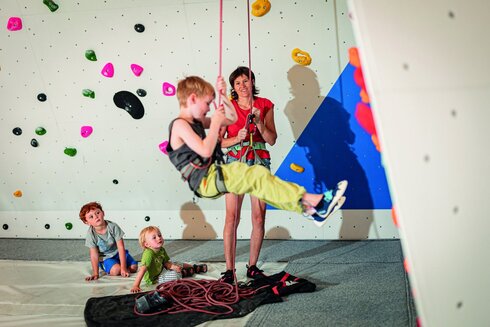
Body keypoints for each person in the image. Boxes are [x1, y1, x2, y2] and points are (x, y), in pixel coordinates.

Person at [166, 75, 347, 281]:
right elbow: (207, 150)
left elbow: (232, 118)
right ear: (191, 99)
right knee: (254, 180)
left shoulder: (196, 121)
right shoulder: (180, 125)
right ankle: (313, 205)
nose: (209, 109)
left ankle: (310, 206)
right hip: (206, 180)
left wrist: (224, 95)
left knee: (260, 179)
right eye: (207, 103)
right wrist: (216, 122)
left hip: (215, 175)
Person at [219, 67, 277, 283]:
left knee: (258, 216)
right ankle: (229, 270)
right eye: (238, 83)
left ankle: (252, 267)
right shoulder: (227, 108)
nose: (242, 86)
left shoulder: (265, 105)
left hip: (260, 162)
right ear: (233, 87)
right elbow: (219, 141)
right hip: (235, 163)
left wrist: (259, 123)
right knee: (232, 217)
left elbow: (271, 140)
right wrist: (237, 138)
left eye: (246, 81)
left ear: (253, 81)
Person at [130, 226, 207, 293]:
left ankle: (193, 267)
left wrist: (173, 266)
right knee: (174, 275)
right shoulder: (148, 254)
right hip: (155, 278)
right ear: (147, 244)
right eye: (154, 237)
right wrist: (136, 285)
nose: (159, 238)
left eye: (159, 235)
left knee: (176, 263)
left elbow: (166, 262)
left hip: (162, 269)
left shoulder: (161, 250)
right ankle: (184, 273)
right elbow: (142, 269)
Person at [80, 201, 138, 281]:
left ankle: (121, 266)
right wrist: (96, 273)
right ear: (87, 222)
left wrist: (124, 268)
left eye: (97, 213)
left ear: (103, 213)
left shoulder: (113, 227)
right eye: (91, 217)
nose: (96, 217)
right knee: (116, 270)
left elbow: (121, 247)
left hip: (118, 253)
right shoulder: (91, 234)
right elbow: (93, 255)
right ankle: (108, 266)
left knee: (134, 268)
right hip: (106, 258)